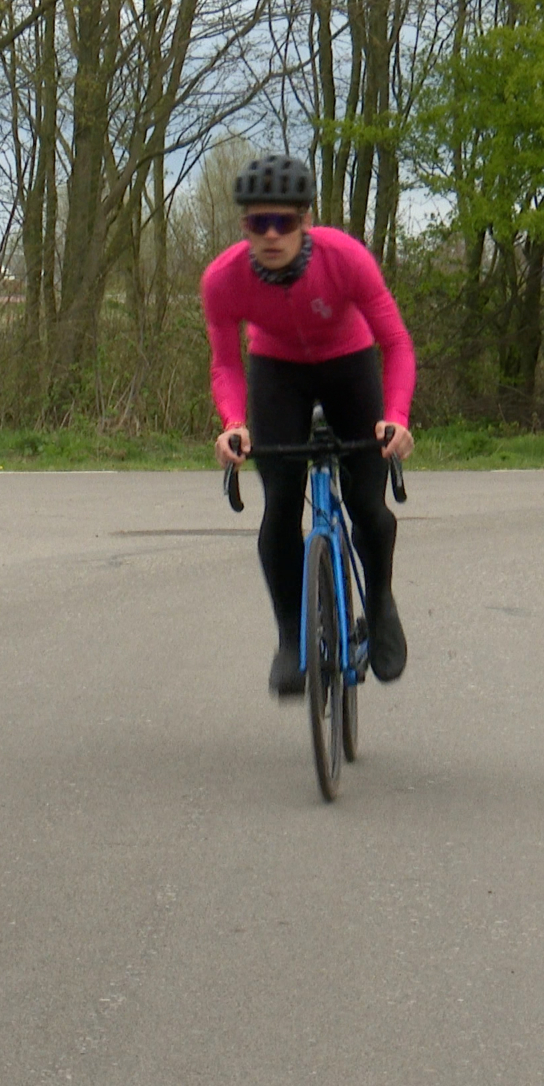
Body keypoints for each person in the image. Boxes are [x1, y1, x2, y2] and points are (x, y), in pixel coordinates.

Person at [201, 153, 415, 699]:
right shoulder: (223, 280)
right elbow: (226, 363)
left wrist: (396, 418)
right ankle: (292, 639)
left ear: (304, 220)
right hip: (278, 373)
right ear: (243, 226)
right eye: (257, 223)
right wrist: (232, 424)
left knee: (368, 505)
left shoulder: (345, 259)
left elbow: (395, 344)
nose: (271, 234)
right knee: (279, 507)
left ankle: (382, 606)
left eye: (284, 222)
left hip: (349, 365)